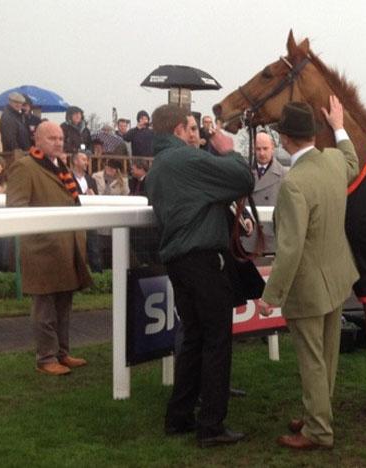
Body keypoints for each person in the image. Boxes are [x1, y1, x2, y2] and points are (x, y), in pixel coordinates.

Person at [146, 104, 255, 448]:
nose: (196, 135)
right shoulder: (186, 161)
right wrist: (229, 151)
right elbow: (243, 179)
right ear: (179, 129)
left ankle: (179, 417)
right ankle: (211, 425)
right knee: (216, 340)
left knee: (193, 338)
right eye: (192, 128)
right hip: (204, 260)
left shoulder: (158, 168)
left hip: (179, 262)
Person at [255, 97, 359, 450]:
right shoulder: (333, 161)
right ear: (315, 132)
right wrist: (340, 125)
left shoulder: (294, 184)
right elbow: (352, 160)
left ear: (283, 139)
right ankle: (319, 415)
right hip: (337, 278)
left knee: (313, 362)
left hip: (309, 288)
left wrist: (271, 297)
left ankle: (318, 431)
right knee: (327, 357)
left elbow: (289, 248)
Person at [6, 121, 93, 375]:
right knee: (45, 309)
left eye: (60, 138)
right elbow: (16, 207)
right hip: (43, 249)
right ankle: (46, 358)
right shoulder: (25, 167)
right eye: (52, 138)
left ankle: (62, 353)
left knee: (64, 305)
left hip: (66, 246)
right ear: (37, 140)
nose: (58, 142)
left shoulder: (60, 166)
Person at [249, 131, 288, 253]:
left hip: (272, 241)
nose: (261, 153)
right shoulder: (245, 174)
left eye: (265, 148)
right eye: (258, 149)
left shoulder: (284, 176)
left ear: (272, 148)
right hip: (248, 241)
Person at [70, 152, 102, 273]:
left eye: (87, 160)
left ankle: (98, 277)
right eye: (83, 159)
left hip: (90, 219)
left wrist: (93, 197)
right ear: (75, 161)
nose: (86, 162)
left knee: (94, 249)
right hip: (74, 220)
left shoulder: (91, 179)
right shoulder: (68, 178)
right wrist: (84, 196)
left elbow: (97, 198)